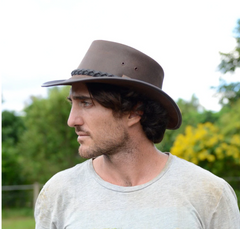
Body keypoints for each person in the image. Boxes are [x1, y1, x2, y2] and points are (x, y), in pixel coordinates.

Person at [35, 40, 240, 228]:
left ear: (134, 111)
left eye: (86, 103)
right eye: (73, 104)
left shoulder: (208, 193)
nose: (72, 121)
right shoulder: (58, 193)